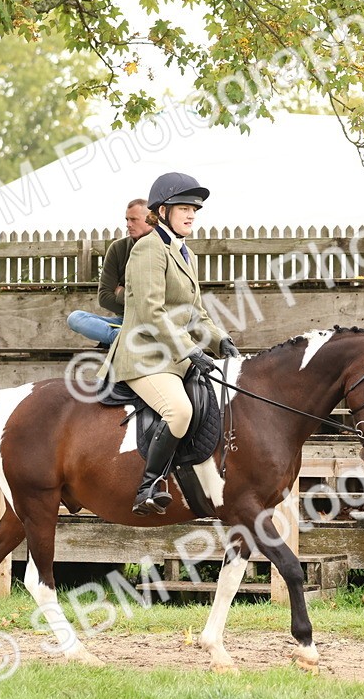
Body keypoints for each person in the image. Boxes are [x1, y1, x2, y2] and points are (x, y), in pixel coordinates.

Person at [102, 172, 239, 515]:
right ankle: (148, 486)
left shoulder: (183, 252)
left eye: (195, 208)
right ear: (162, 211)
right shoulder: (149, 248)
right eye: (184, 207)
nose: (192, 214)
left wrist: (222, 342)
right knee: (179, 411)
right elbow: (150, 310)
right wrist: (191, 349)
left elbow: (195, 314)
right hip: (145, 355)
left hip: (174, 357)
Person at [67, 199, 155, 348]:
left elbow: (160, 302)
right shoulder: (118, 248)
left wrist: (120, 293)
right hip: (125, 323)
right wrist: (138, 303)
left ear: (151, 220)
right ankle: (124, 340)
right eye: (127, 219)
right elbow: (105, 298)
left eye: (133, 219)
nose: (128, 224)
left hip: (157, 326)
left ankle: (128, 340)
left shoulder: (164, 249)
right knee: (75, 318)